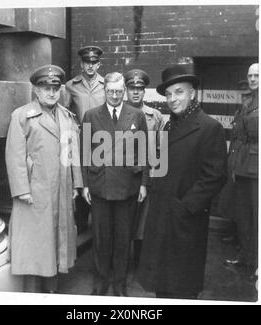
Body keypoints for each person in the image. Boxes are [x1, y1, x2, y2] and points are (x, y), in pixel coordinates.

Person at [137, 64, 228, 299]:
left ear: (192, 93)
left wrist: (185, 207)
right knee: (163, 287)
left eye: (178, 92)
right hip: (162, 217)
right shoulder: (169, 125)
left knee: (181, 288)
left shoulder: (209, 127)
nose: (172, 99)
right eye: (168, 94)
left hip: (185, 222)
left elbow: (215, 176)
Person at [5, 64, 83, 293]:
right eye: (45, 87)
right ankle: (33, 292)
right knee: (36, 244)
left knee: (57, 240)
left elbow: (73, 152)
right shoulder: (22, 116)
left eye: (55, 88)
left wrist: (76, 182)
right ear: (36, 90)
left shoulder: (67, 117)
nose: (51, 92)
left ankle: (52, 289)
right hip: (35, 191)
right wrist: (23, 190)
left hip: (61, 187)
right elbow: (15, 155)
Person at [81, 72, 149, 296]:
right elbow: (84, 152)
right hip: (100, 185)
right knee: (101, 239)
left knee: (122, 239)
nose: (114, 95)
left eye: (119, 92)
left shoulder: (136, 115)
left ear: (124, 92)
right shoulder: (91, 115)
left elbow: (144, 151)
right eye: (110, 91)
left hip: (127, 186)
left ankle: (119, 284)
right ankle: (101, 283)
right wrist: (85, 185)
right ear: (104, 91)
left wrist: (143, 184)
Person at [124, 69, 165, 268]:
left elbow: (161, 148)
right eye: (132, 88)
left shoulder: (155, 116)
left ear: (144, 91)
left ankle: (139, 262)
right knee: (123, 220)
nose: (136, 92)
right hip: (123, 175)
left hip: (146, 174)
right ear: (126, 90)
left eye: (140, 88)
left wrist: (157, 175)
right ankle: (120, 262)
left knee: (143, 221)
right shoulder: (118, 112)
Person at [64, 45, 106, 235]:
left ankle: (99, 223)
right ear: (81, 64)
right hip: (80, 140)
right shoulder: (71, 86)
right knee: (81, 177)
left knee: (98, 177)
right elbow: (64, 112)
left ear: (99, 64)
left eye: (94, 62)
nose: (90, 66)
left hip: (101, 140)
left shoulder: (106, 85)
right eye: (87, 62)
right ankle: (81, 224)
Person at [225, 63, 259, 277]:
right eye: (250, 75)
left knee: (258, 217)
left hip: (257, 168)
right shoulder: (248, 101)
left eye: (257, 75)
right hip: (243, 166)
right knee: (244, 215)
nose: (253, 78)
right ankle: (247, 256)